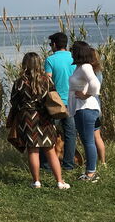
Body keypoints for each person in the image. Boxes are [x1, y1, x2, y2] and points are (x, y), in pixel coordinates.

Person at [7, 52, 70, 190]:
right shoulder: (46, 80)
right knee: (50, 150)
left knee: (32, 150)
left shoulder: (20, 82)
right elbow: (53, 97)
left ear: (25, 64)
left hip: (27, 118)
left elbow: (14, 101)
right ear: (39, 64)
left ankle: (36, 181)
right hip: (44, 118)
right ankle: (59, 182)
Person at [69, 41, 102, 183]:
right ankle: (90, 171)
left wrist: (86, 95)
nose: (71, 53)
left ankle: (91, 173)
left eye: (73, 51)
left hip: (85, 108)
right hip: (82, 109)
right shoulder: (80, 67)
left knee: (88, 141)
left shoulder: (85, 67)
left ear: (78, 53)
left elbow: (95, 84)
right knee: (87, 141)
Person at [45, 32, 77, 170]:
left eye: (50, 44)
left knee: (49, 133)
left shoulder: (50, 60)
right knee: (70, 134)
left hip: (56, 103)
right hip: (72, 101)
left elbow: (48, 80)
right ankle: (69, 164)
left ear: (54, 44)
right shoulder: (73, 58)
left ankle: (47, 165)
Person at [90, 48, 107, 167]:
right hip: (97, 105)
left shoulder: (88, 72)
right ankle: (103, 162)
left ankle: (92, 163)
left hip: (90, 106)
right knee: (97, 136)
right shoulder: (99, 72)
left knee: (90, 138)